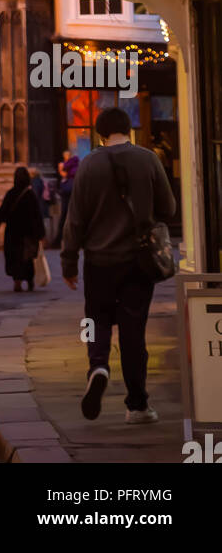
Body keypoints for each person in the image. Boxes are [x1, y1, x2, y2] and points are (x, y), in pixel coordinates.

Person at [62, 106, 177, 425]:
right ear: (129, 130)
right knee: (133, 330)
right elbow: (168, 207)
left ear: (100, 133)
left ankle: (98, 365)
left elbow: (75, 220)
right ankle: (137, 404)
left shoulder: (87, 165)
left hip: (98, 261)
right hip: (138, 261)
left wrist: (69, 260)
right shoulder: (148, 159)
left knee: (97, 319)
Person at [0, 166, 46, 292]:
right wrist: (41, 234)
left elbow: (3, 213)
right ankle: (30, 281)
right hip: (28, 234)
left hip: (13, 233)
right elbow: (37, 216)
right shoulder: (30, 195)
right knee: (27, 258)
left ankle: (17, 281)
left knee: (14, 257)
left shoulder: (10, 194)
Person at [54, 149, 80, 247]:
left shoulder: (64, 165)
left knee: (64, 216)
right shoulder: (75, 163)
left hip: (66, 190)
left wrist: (62, 170)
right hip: (74, 190)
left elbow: (63, 174)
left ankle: (59, 240)